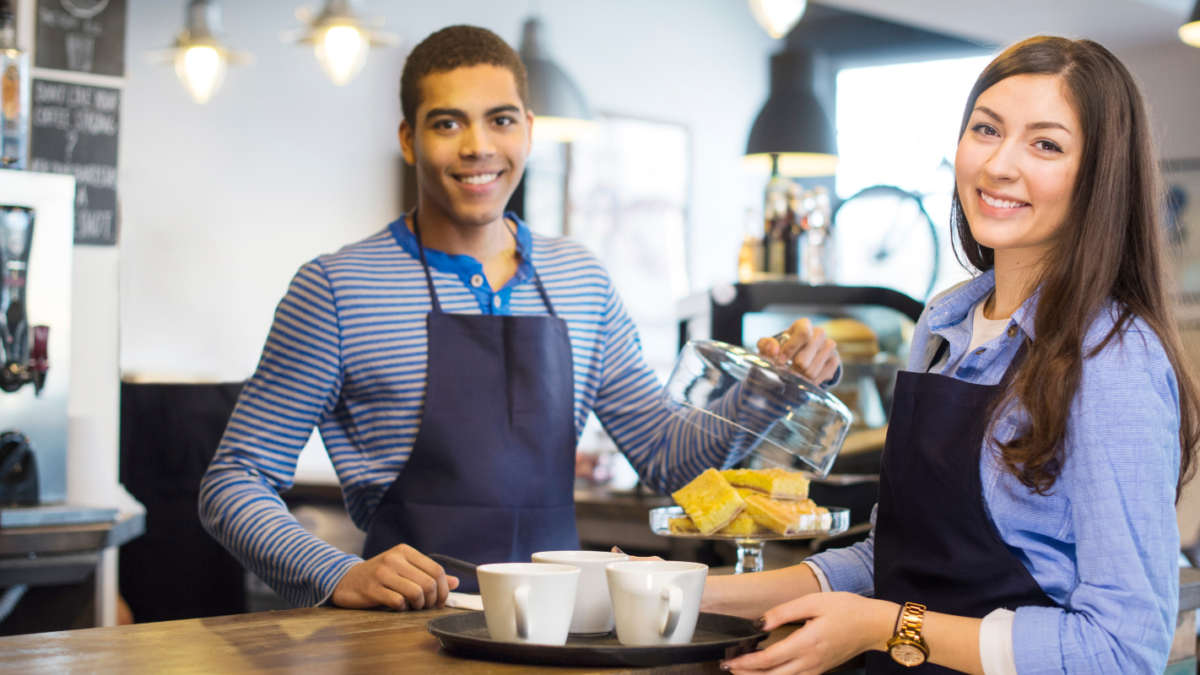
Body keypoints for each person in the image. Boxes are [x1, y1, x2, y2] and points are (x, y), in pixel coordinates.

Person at [198, 25, 841, 612]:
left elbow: (671, 464)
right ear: (408, 139)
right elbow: (234, 481)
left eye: (499, 120)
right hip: (401, 632)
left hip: (561, 628)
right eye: (447, 124)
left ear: (528, 130)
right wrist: (334, 572)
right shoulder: (338, 288)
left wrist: (768, 385)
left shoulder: (580, 280)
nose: (478, 147)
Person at [705, 36, 1200, 675]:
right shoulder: (944, 324)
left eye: (1045, 144)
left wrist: (886, 627)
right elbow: (892, 560)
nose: (999, 165)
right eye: (986, 130)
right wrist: (695, 594)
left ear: (1099, 175)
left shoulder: (1112, 354)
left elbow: (1121, 650)